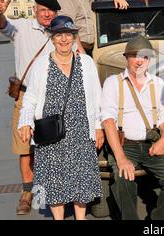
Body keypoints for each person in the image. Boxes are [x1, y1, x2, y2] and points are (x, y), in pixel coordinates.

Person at [17, 15, 104, 220]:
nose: (64, 39)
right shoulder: (41, 65)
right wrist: (25, 123)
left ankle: (80, 217)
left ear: (74, 37)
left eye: (68, 34)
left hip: (82, 132)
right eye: (59, 35)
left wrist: (98, 126)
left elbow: (98, 97)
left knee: (81, 178)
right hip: (51, 134)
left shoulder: (87, 62)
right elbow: (29, 99)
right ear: (51, 37)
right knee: (55, 179)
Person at [0, 0, 60, 215]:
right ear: (35, 10)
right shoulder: (21, 28)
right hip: (25, 96)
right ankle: (27, 193)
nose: (47, 14)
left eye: (51, 10)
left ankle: (50, 191)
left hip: (53, 98)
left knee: (52, 146)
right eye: (43, 10)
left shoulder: (60, 31)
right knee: (25, 148)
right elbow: (1, 24)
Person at [101, 36, 164, 220]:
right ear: (127, 58)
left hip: (151, 144)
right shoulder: (113, 83)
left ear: (149, 60)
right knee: (123, 179)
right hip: (124, 145)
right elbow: (108, 121)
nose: (139, 61)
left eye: (145, 57)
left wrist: (163, 140)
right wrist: (121, 158)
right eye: (134, 56)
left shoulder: (158, 83)